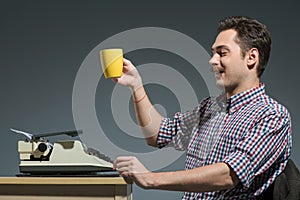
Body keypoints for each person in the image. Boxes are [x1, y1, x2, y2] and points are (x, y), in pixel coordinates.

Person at [112, 16, 292, 199]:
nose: (212, 61)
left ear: (251, 58)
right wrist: (136, 86)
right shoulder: (209, 108)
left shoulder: (272, 116)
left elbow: (229, 174)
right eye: (213, 53)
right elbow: (158, 134)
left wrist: (150, 179)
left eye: (222, 53)